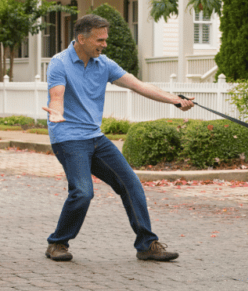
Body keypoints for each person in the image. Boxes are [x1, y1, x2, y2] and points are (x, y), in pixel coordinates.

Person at [42, 14, 194, 262]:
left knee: (130, 183)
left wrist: (175, 100)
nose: (104, 45)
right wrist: (56, 112)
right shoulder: (59, 63)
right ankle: (57, 243)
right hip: (68, 137)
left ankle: (147, 245)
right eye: (99, 40)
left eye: (105, 40)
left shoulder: (104, 64)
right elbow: (56, 95)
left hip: (95, 137)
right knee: (83, 192)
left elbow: (138, 85)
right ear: (81, 38)